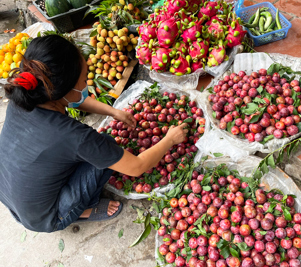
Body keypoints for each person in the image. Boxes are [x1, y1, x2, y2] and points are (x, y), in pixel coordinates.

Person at [0, 35, 188, 233]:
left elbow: (69, 97)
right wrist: (169, 140)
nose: (85, 84)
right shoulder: (75, 136)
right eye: (83, 79)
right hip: (45, 218)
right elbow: (136, 167)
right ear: (64, 88)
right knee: (106, 145)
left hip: (13, 199)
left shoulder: (26, 96)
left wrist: (114, 112)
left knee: (93, 151)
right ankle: (83, 210)